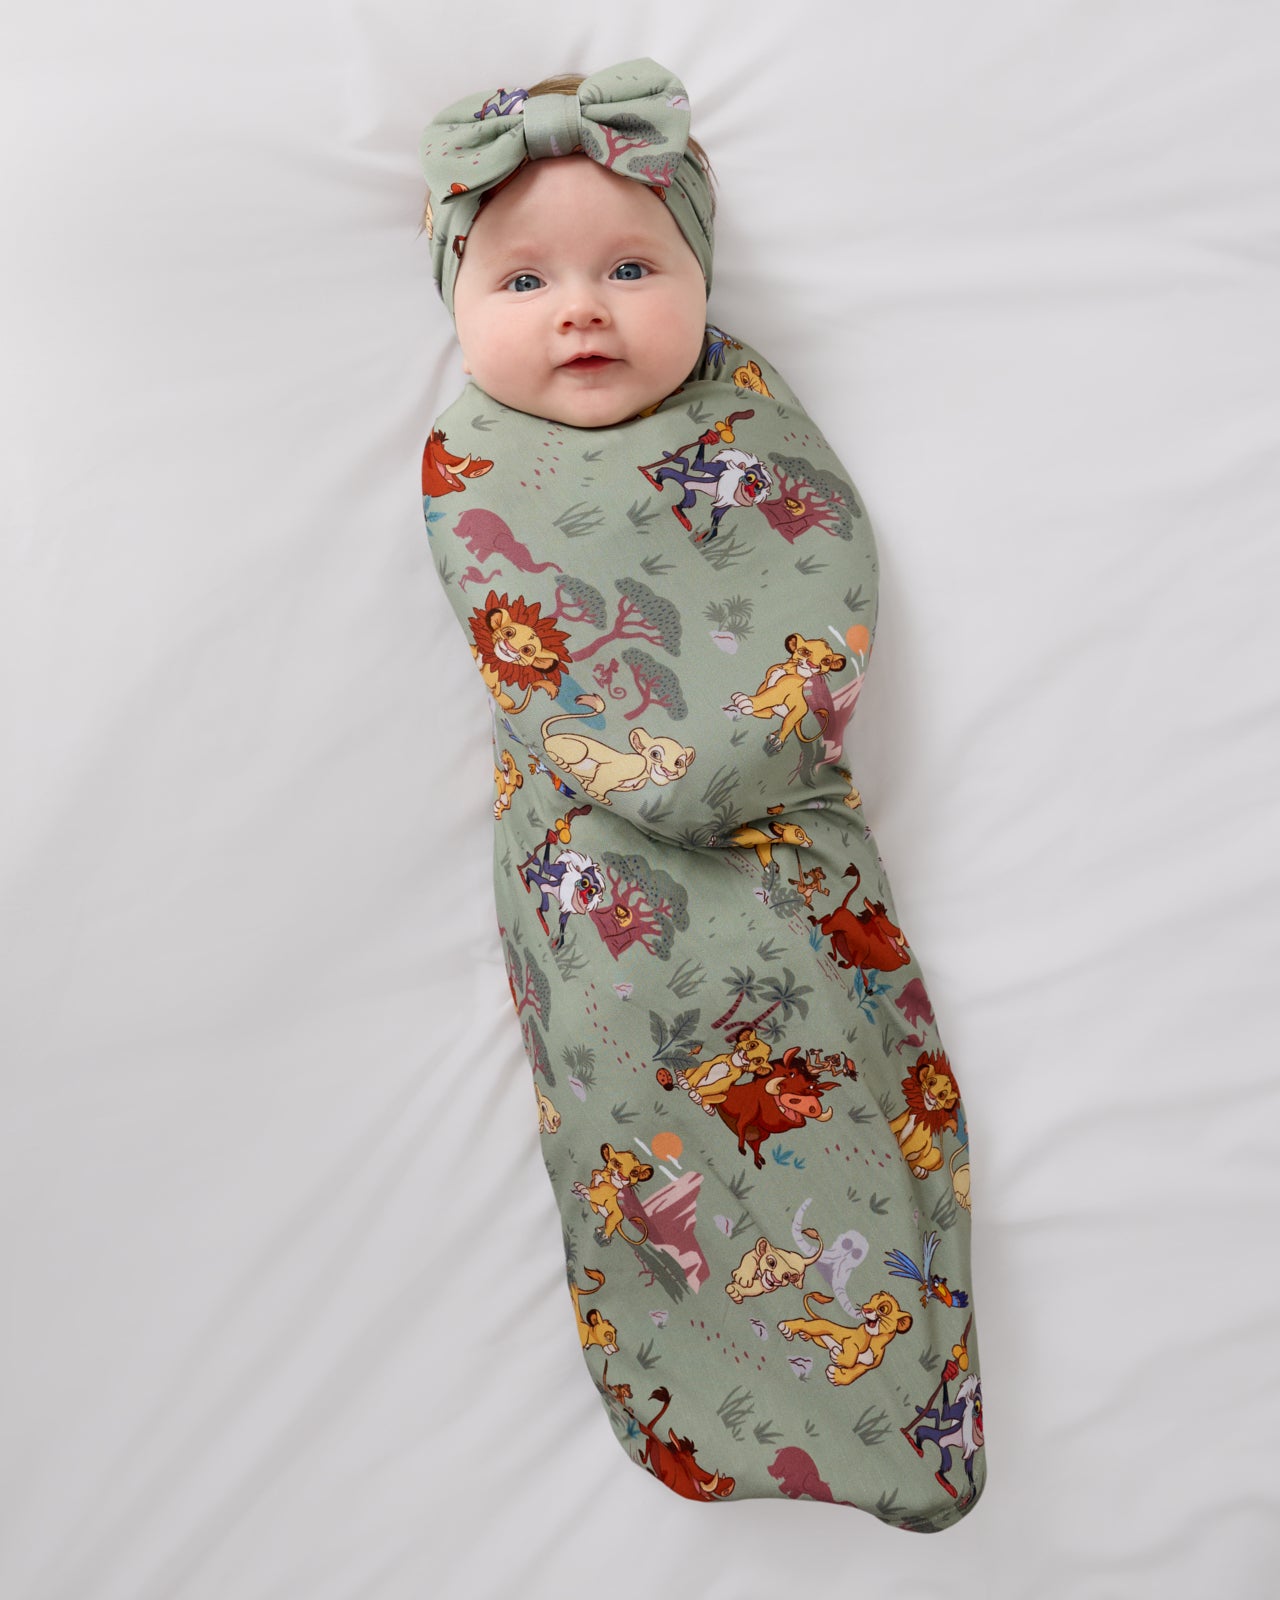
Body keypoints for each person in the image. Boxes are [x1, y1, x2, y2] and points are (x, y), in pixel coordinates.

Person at [418, 58, 984, 1527]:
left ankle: (906, 1419)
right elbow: (537, 663)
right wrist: (649, 775)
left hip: (780, 848)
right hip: (601, 877)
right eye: (523, 280)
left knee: (842, 1094)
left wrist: (729, 759)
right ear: (455, 306)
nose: (582, 310)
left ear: (703, 281)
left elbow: (816, 588)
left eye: (630, 267)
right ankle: (715, 1408)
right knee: (648, 1130)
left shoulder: (749, 417)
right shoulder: (475, 462)